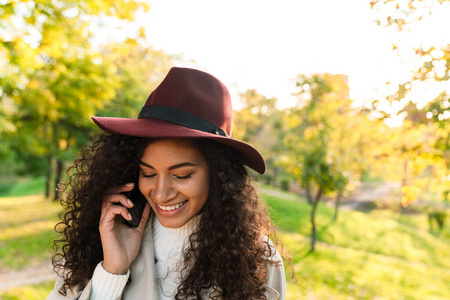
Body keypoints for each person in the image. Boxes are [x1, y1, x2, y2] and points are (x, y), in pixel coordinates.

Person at [48, 67, 287, 300]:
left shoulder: (256, 261)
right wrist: (112, 271)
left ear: (219, 175)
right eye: (148, 174)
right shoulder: (104, 237)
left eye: (181, 175)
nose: (161, 194)